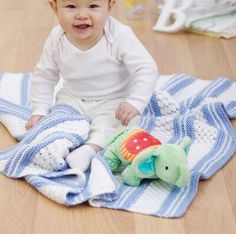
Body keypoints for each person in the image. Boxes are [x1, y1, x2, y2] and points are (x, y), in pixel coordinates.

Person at [25, 0, 158, 172]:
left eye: (93, 6)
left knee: (122, 124)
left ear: (109, 5)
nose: (82, 15)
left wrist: (135, 102)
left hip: (114, 100)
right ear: (54, 7)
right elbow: (44, 75)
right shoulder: (56, 37)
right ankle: (58, 146)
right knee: (57, 121)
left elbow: (146, 68)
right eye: (71, 7)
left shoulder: (120, 35)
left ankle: (90, 149)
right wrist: (40, 110)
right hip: (71, 98)